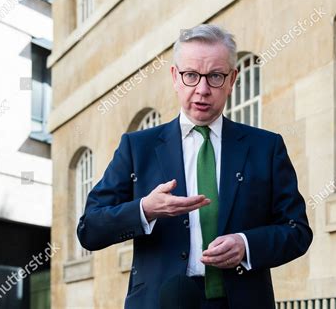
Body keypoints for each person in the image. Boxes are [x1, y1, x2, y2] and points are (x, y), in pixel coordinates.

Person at [77, 24, 313, 309]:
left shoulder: (266, 147)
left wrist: (246, 244)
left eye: (215, 76)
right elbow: (89, 229)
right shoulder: (137, 147)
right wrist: (145, 210)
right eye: (191, 75)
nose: (202, 90)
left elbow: (297, 231)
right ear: (175, 77)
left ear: (232, 79)